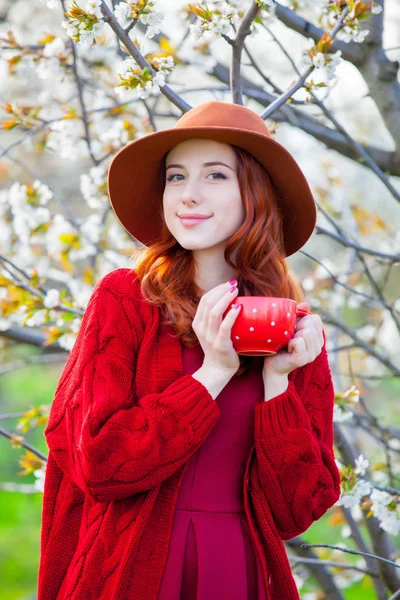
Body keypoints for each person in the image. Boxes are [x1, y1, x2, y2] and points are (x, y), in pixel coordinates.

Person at [38, 101, 341, 600]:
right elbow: (97, 463)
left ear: (256, 194)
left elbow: (296, 511)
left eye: (215, 175)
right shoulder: (125, 300)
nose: (188, 195)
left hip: (236, 571)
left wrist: (278, 384)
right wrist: (213, 374)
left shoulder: (294, 328)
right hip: (130, 570)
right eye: (176, 177)